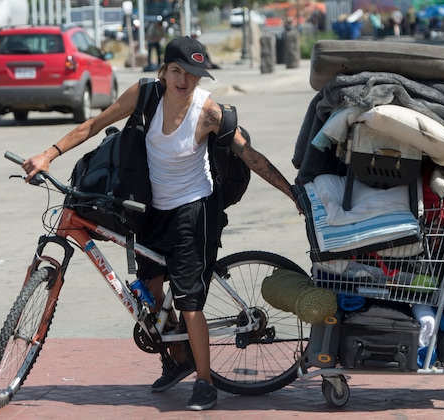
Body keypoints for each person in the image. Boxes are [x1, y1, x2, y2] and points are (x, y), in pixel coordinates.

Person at [21, 36, 301, 411]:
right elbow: (94, 124)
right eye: (177, 71)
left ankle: (205, 383)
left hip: (193, 212)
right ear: (164, 71)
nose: (184, 81)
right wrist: (48, 154)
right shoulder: (145, 95)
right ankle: (178, 360)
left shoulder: (209, 113)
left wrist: (293, 194)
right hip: (150, 209)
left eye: (193, 75)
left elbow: (251, 157)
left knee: (188, 303)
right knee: (150, 301)